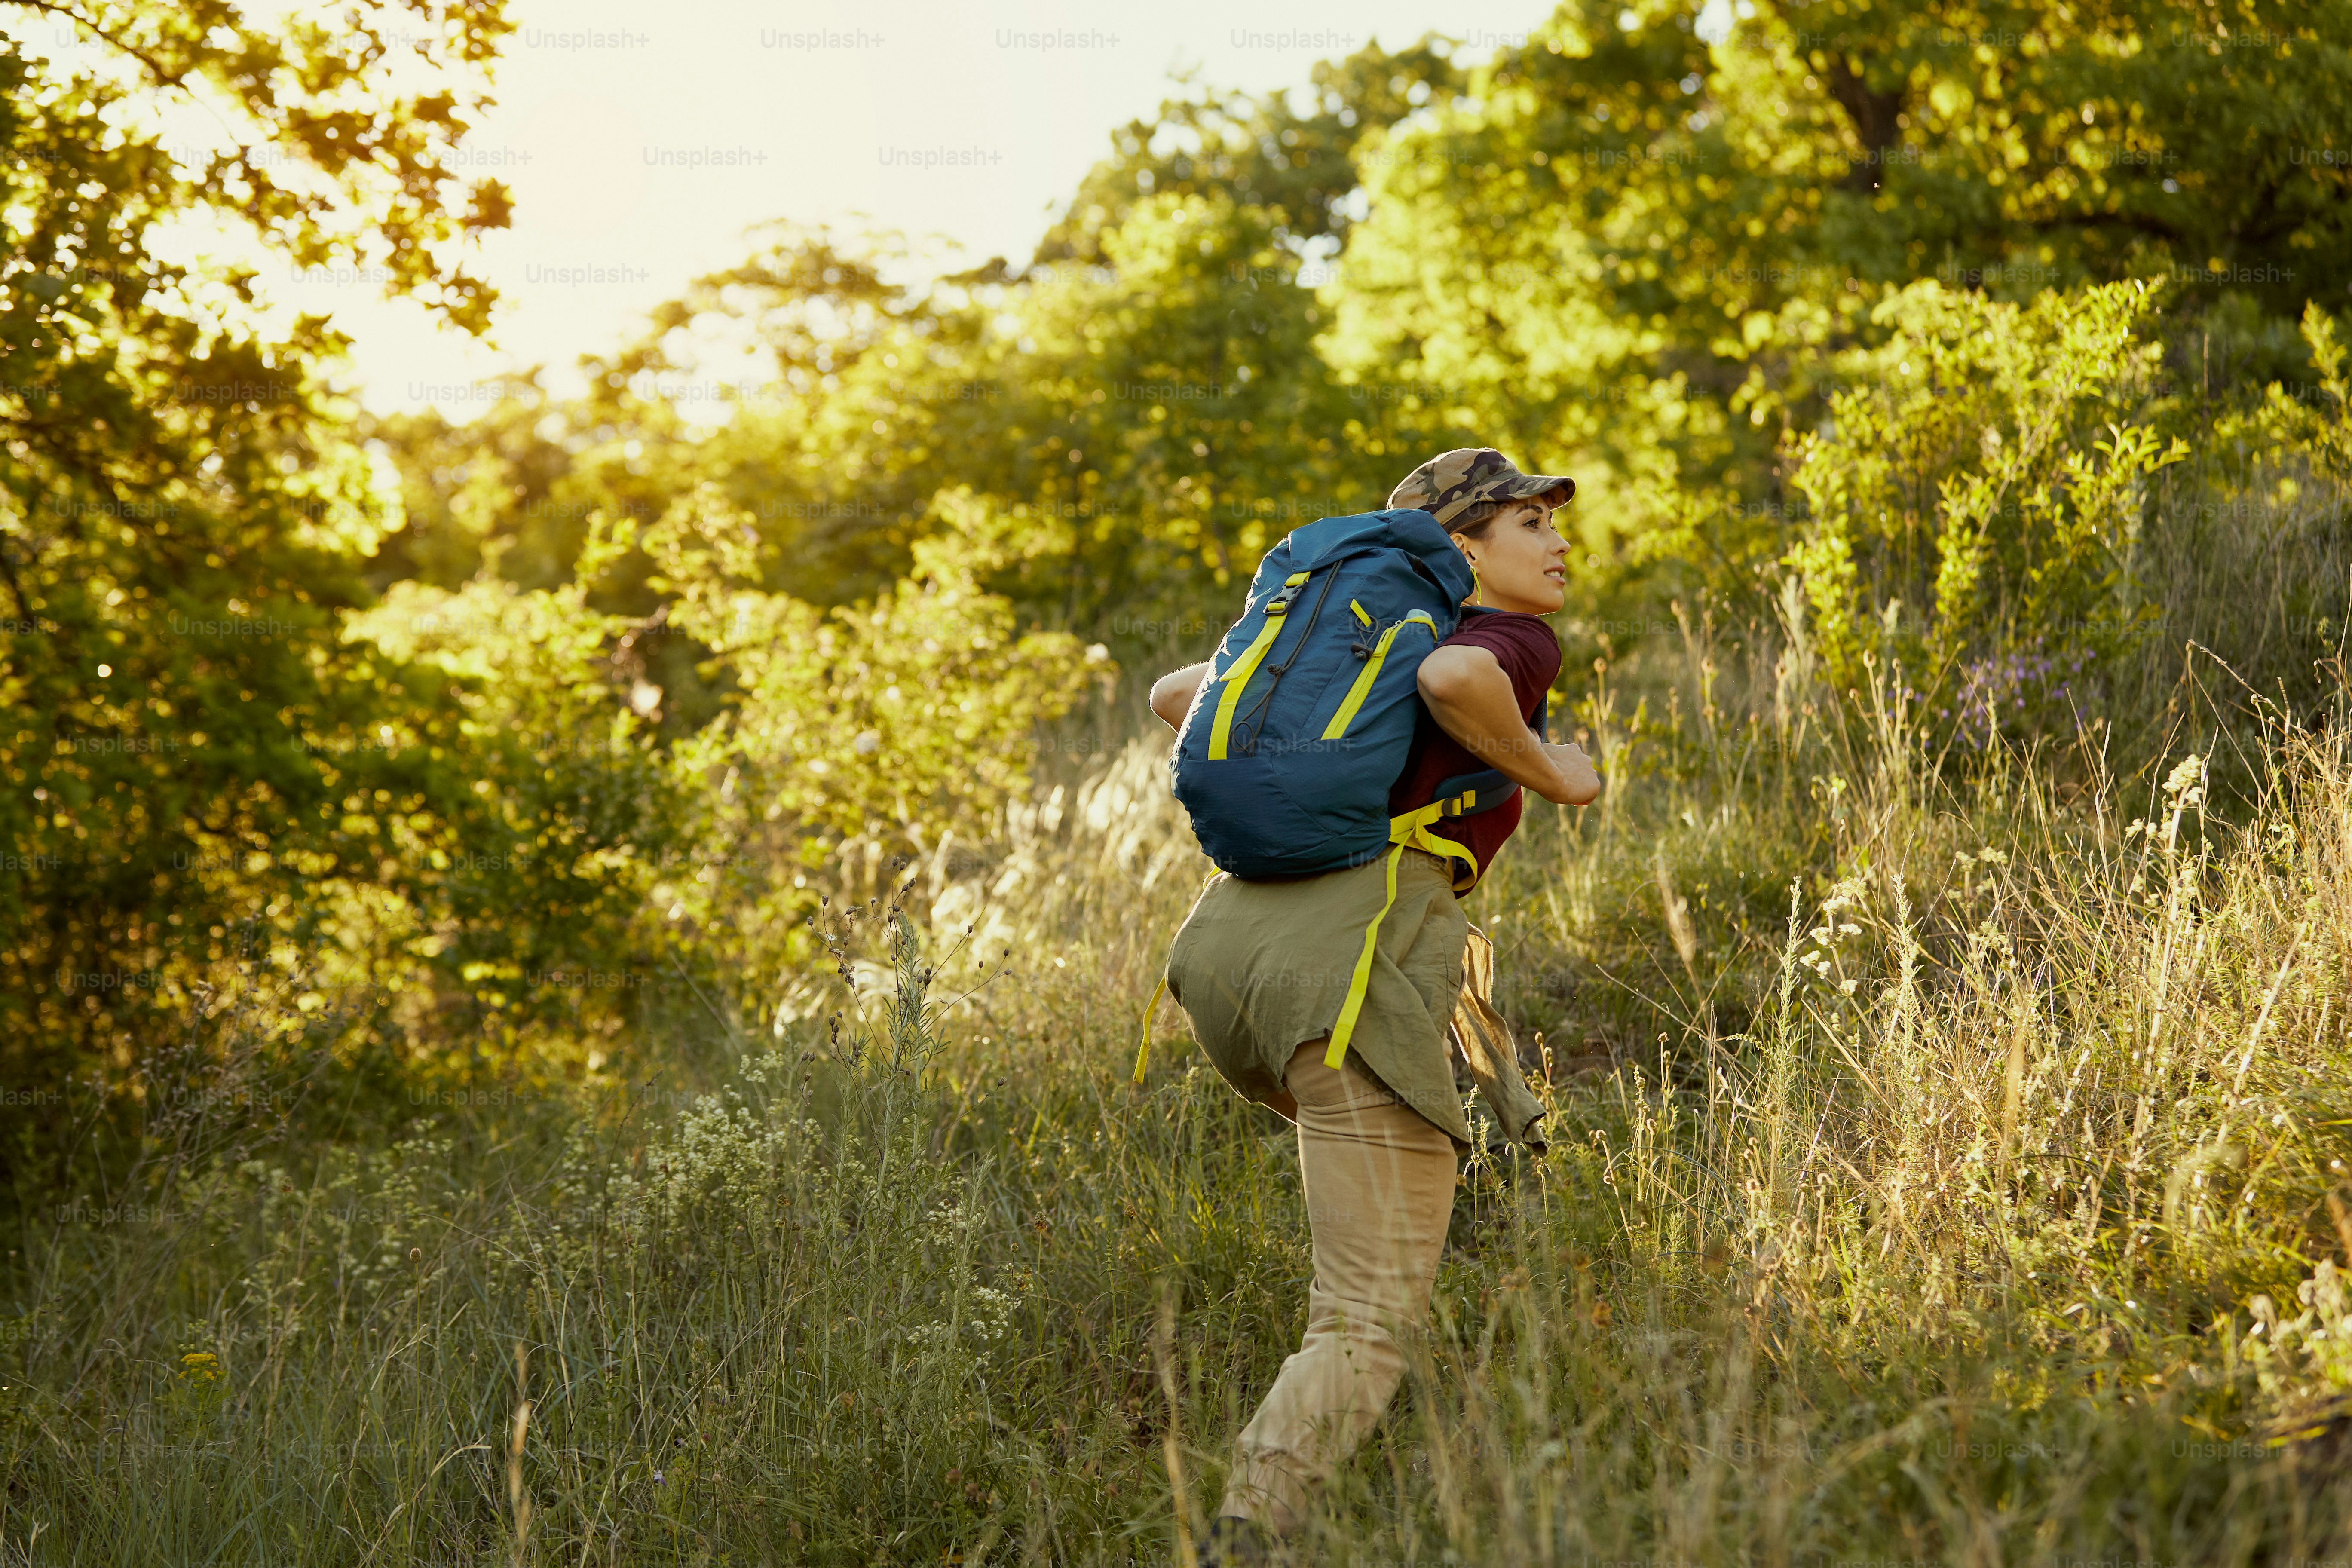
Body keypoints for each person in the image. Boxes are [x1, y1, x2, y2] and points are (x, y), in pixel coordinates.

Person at [1146, 448, 1604, 1563]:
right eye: (1524, 521)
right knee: (1361, 1319)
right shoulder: (1499, 639)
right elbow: (1457, 688)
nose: (1555, 541)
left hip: (1231, 955)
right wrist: (1559, 772)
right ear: (1463, 549)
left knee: (1403, 1184)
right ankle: (1249, 1535)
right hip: (1347, 960)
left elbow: (1171, 696)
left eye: (1554, 521)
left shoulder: (1353, 638)